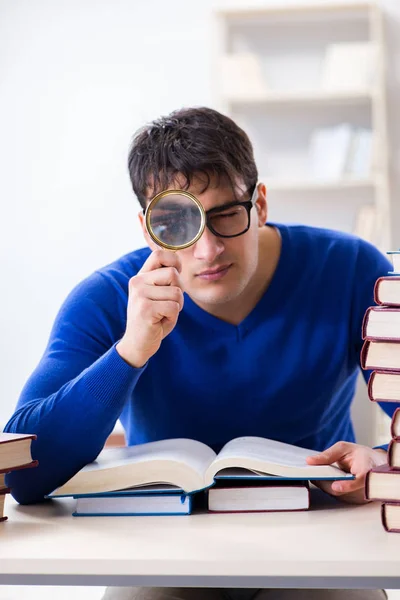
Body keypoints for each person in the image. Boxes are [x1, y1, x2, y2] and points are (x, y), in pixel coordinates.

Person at [3, 107, 397, 600]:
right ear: (147, 229)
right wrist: (131, 350)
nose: (207, 251)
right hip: (161, 543)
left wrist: (382, 460)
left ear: (261, 205)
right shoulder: (108, 298)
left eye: (226, 216)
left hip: (318, 532)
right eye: (176, 225)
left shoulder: (353, 267)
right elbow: (24, 475)